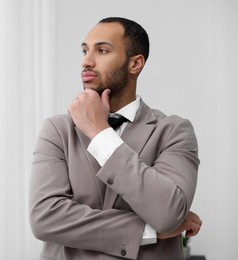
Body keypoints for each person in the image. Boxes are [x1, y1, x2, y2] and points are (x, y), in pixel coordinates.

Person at [29, 17, 202, 260]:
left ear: (135, 63)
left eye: (102, 50)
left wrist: (100, 133)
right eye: (84, 50)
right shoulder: (57, 129)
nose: (86, 61)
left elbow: (167, 213)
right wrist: (146, 230)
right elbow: (45, 218)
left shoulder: (174, 131)